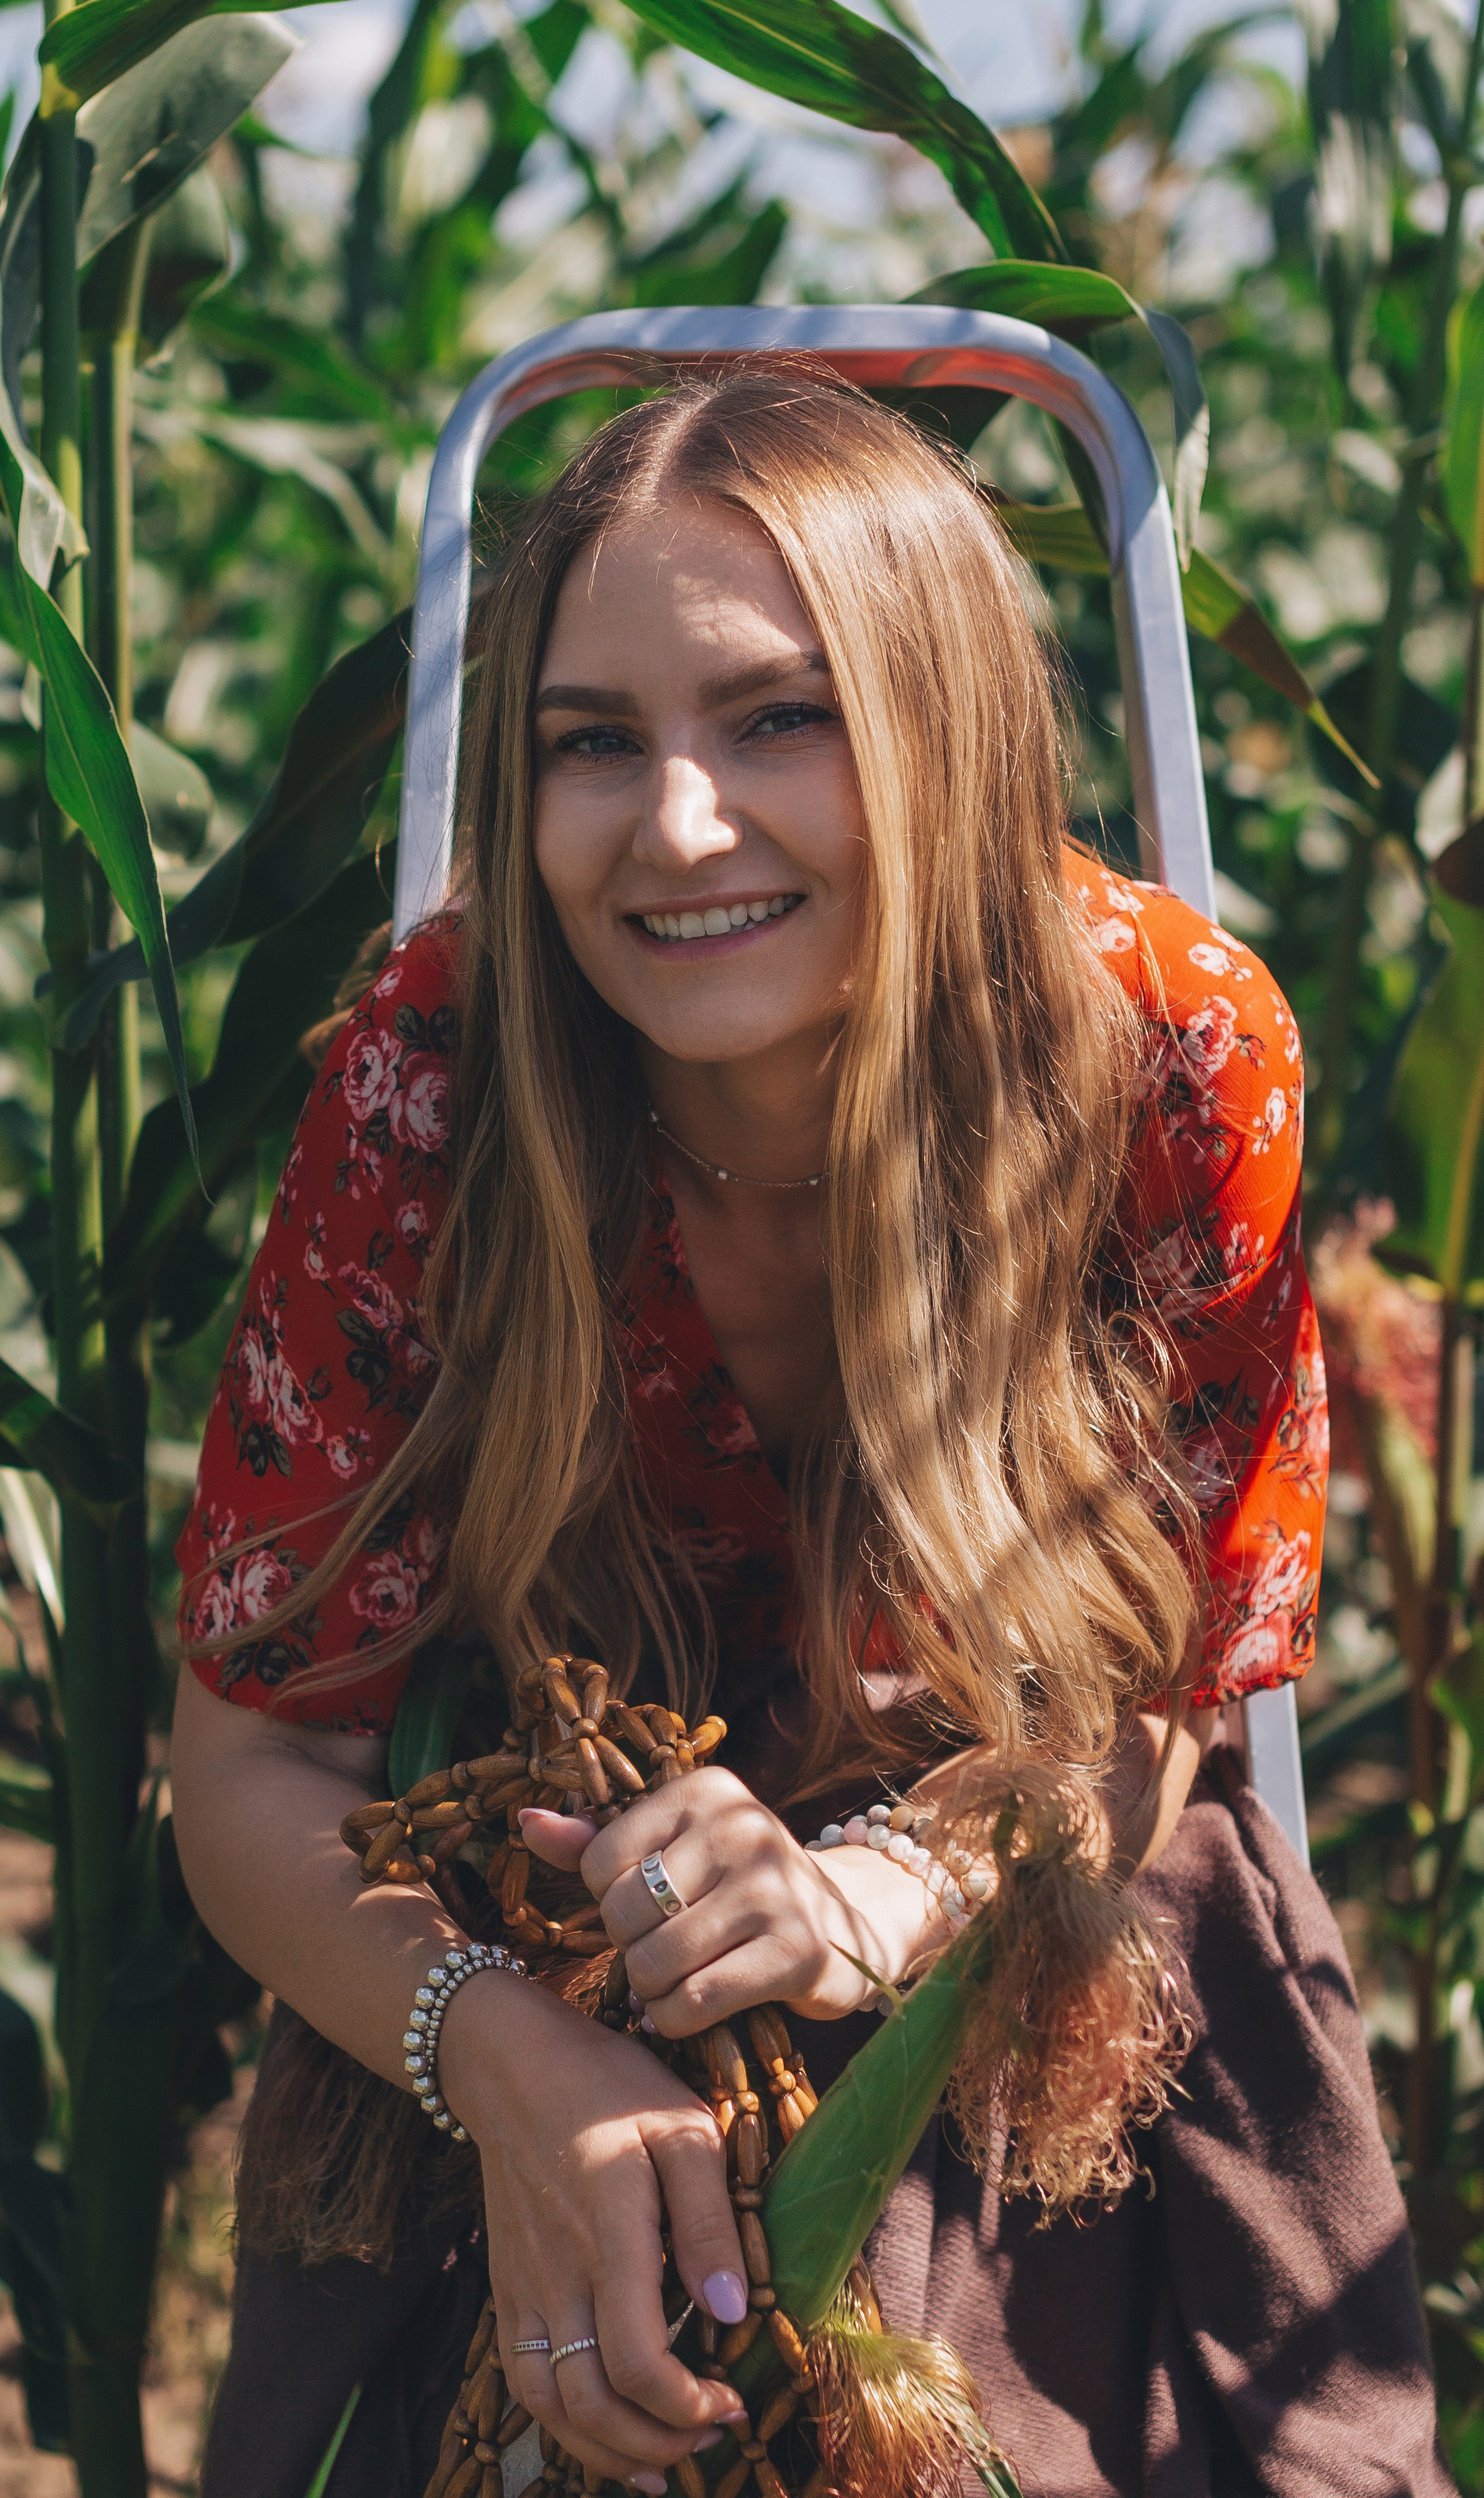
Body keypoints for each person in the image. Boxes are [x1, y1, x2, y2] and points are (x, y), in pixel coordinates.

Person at [170, 371, 1447, 2498]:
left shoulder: (1173, 1056)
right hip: (551, 1887)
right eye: (596, 741)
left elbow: (1163, 1712)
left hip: (1027, 1859)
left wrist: (882, 1894)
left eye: (782, 717)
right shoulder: (437, 1077)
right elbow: (249, 1774)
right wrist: (512, 2056)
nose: (678, 826)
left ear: (943, 733)